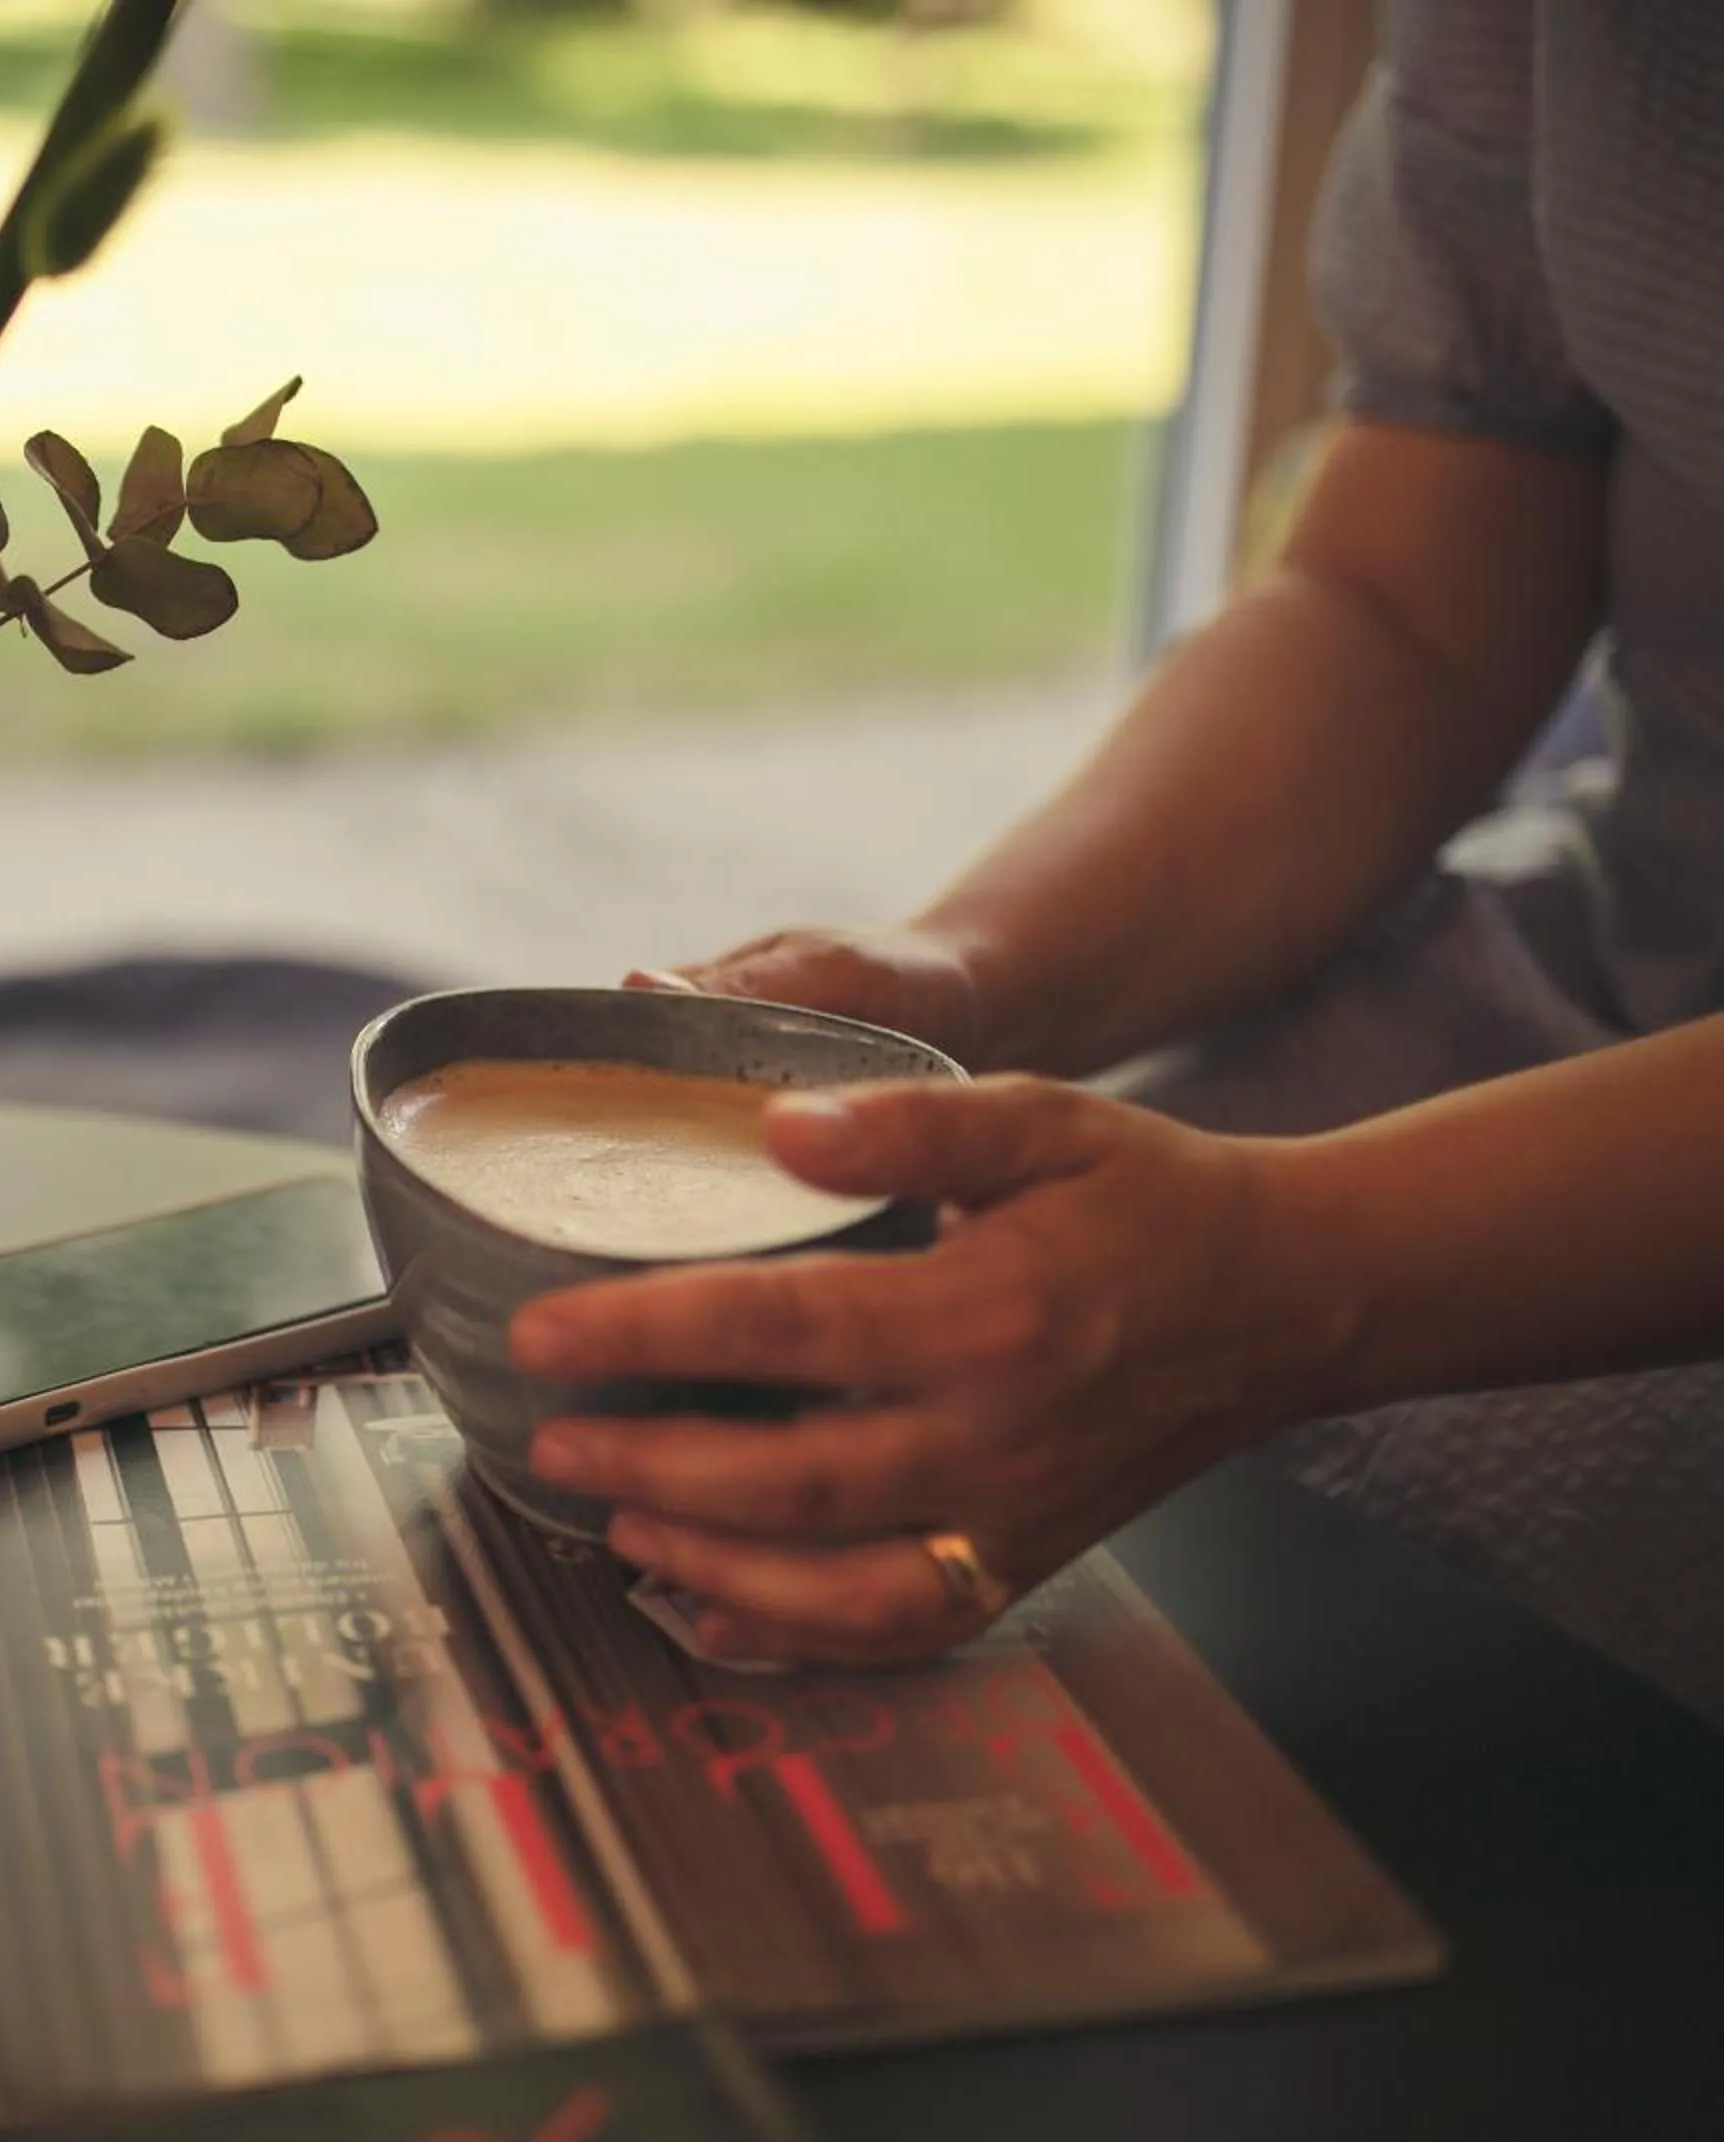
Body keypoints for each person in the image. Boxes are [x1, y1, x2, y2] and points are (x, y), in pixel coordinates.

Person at [505, 1, 1724, 1729]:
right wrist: (960, 980)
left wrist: (1286, 1282)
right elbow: (1407, 598)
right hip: (1626, 942)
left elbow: (1260, 1284)